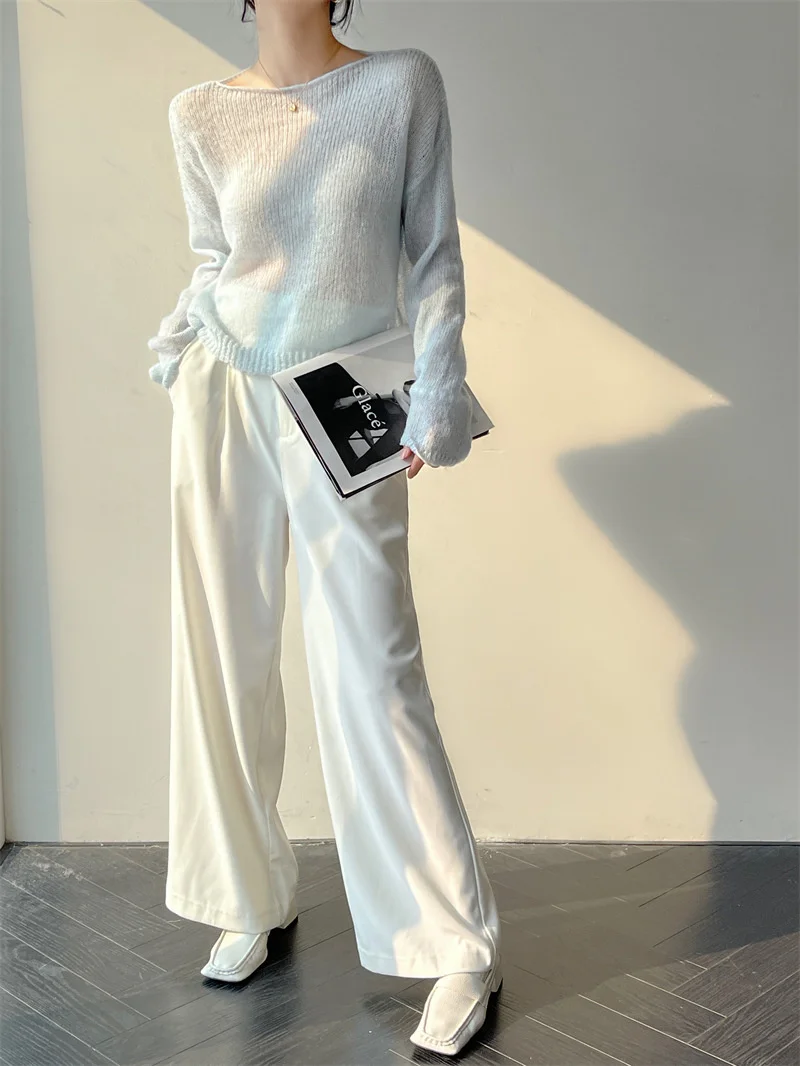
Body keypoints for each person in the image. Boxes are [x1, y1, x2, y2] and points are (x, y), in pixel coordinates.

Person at [146, 0, 502, 1055]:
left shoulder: (399, 84)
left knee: (373, 663)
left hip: (346, 389)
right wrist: (179, 339)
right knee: (223, 649)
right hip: (224, 387)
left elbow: (431, 254)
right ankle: (244, 892)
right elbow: (215, 255)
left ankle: (453, 943)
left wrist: (438, 388)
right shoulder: (198, 112)